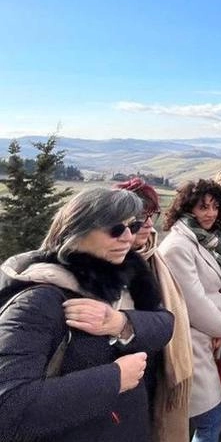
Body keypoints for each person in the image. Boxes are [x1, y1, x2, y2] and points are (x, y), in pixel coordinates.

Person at [0, 188, 174, 441]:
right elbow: (9, 407)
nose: (127, 237)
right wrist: (115, 379)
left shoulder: (126, 274)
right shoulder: (39, 301)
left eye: (132, 227)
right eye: (115, 228)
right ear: (76, 230)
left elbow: (165, 323)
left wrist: (120, 323)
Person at [116, 177, 194, 441]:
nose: (149, 224)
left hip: (159, 366)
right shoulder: (106, 265)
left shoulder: (154, 257)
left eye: (153, 215)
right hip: (123, 376)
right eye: (140, 217)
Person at [158, 179, 221, 442]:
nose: (211, 213)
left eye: (215, 207)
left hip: (211, 338)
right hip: (192, 344)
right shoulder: (178, 246)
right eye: (203, 207)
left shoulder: (207, 240)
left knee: (210, 420)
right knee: (210, 420)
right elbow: (194, 302)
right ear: (187, 208)